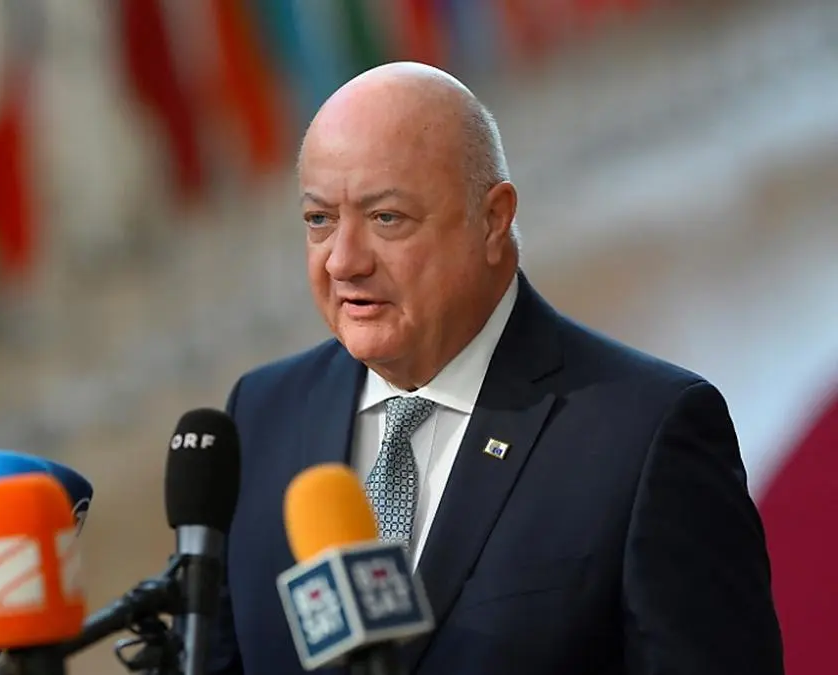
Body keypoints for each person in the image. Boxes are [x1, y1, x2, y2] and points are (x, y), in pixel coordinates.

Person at [209, 62, 783, 675]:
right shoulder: (259, 415)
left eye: (386, 219)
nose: (343, 261)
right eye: (320, 220)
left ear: (493, 219)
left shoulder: (646, 434)